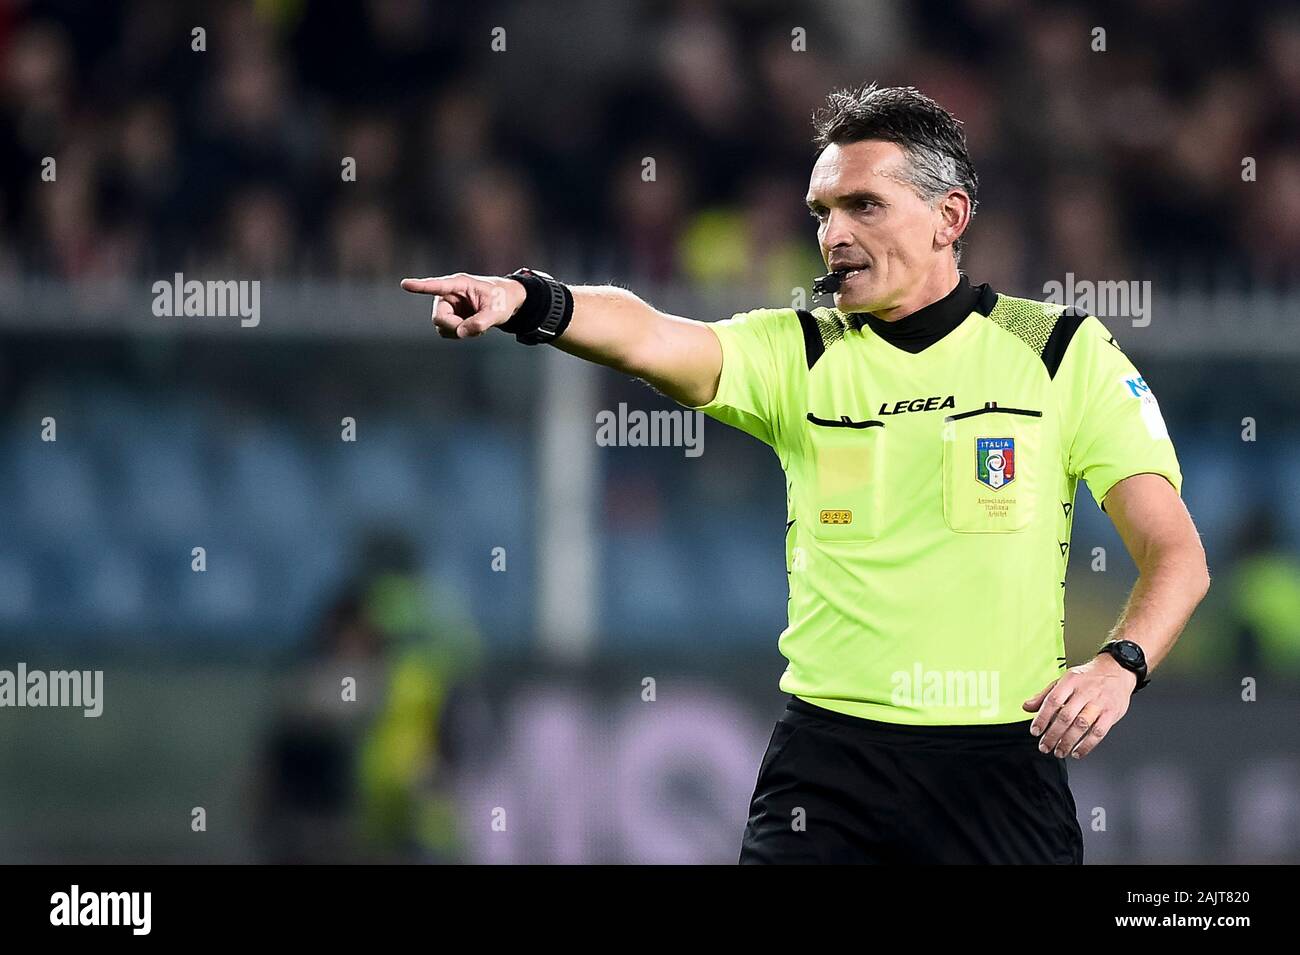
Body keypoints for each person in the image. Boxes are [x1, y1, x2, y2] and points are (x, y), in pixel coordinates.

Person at [399, 84, 1211, 864]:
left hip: (1000, 768)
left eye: (864, 205)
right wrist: (528, 298)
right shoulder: (801, 351)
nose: (833, 235)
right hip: (828, 769)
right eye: (822, 212)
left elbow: (1176, 553)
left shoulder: (1061, 351)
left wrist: (1120, 663)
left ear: (948, 217)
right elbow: (649, 334)